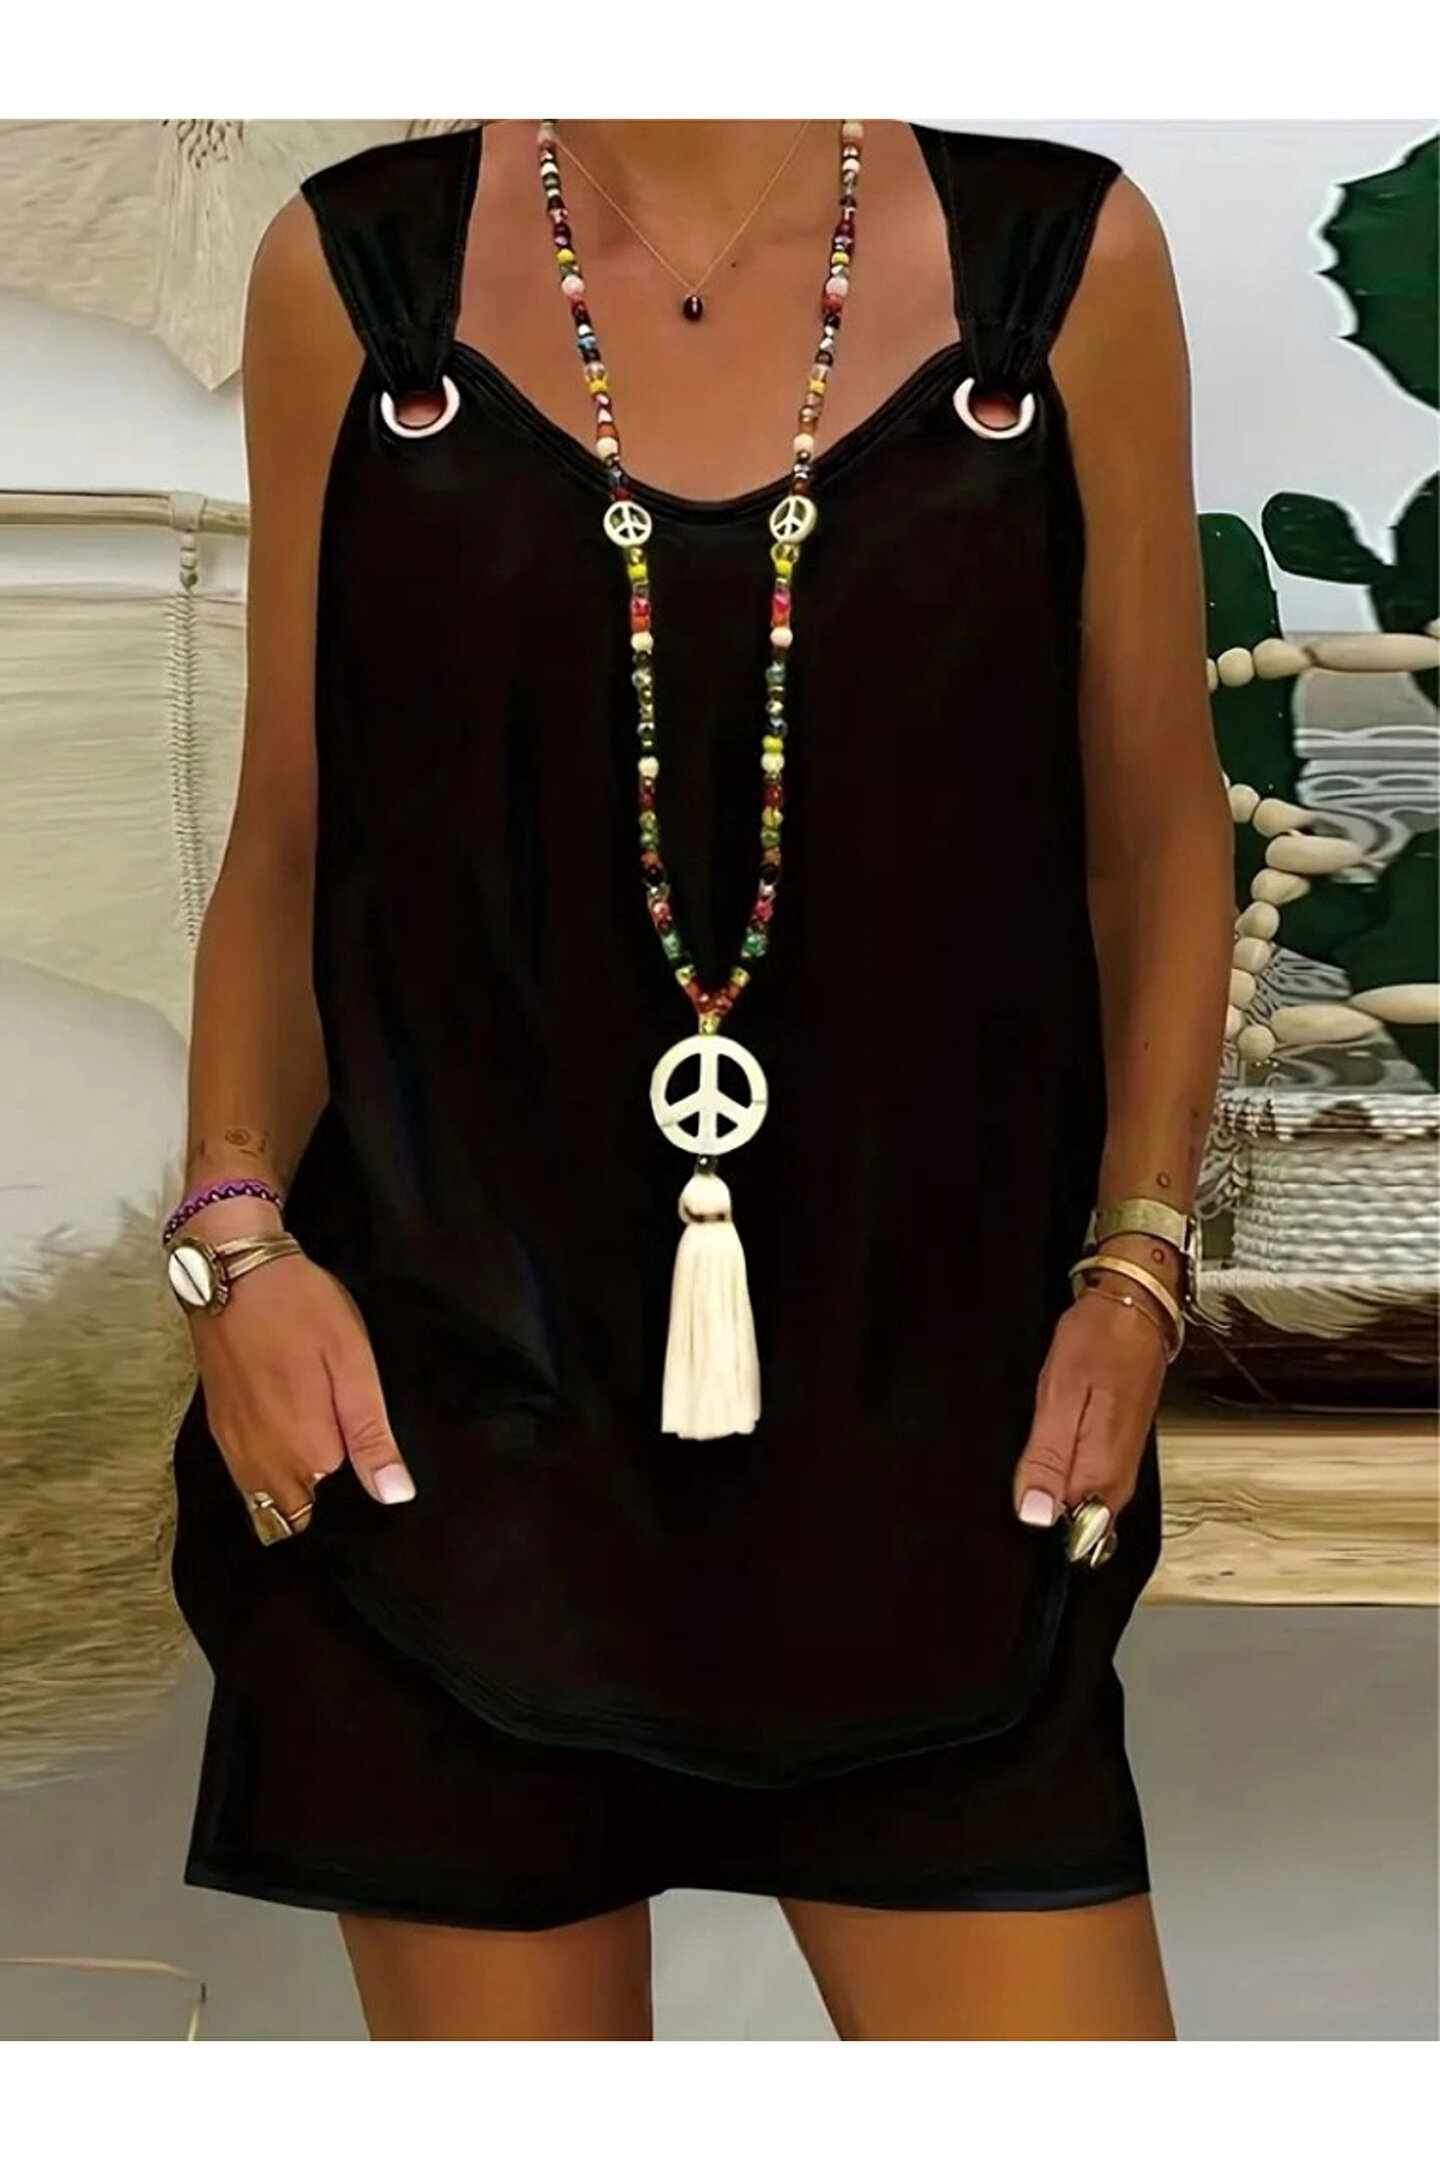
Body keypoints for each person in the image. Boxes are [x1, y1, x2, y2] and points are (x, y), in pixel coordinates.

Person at [164, 118, 1234, 2041]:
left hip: (936, 1457)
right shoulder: (358, 278)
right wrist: (235, 1238)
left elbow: (1153, 832)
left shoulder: (1065, 266)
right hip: (448, 1441)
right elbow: (297, 834)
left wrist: (1139, 1262)